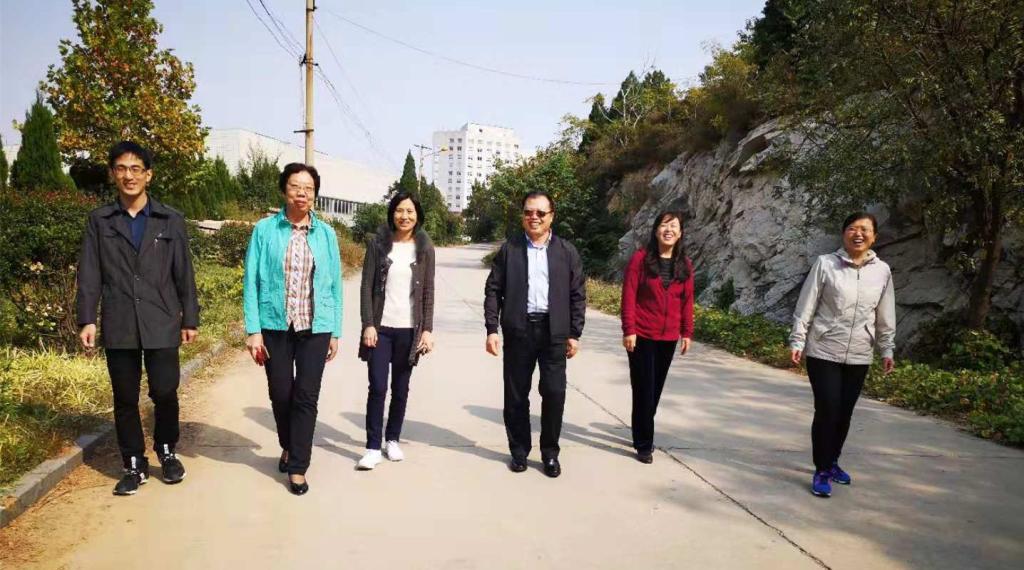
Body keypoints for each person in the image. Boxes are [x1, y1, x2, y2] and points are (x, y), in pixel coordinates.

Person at [76, 141, 199, 496]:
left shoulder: (170, 219)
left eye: (135, 169)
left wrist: (189, 318)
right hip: (120, 320)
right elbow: (90, 272)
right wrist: (87, 319)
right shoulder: (100, 221)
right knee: (125, 397)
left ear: (148, 175)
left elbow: (183, 272)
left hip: (161, 318)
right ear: (112, 174)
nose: (128, 176)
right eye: (121, 168)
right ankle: (133, 462)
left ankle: (167, 451)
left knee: (165, 391)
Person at [242, 163, 342, 496]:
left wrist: (335, 331)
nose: (302, 193)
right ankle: (287, 443)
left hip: (316, 326)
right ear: (284, 189)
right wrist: (253, 329)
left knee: (306, 397)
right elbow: (251, 281)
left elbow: (334, 285)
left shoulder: (326, 234)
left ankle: (298, 465)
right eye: (296, 186)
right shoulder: (264, 230)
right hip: (275, 324)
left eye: (309, 188)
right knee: (280, 393)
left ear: (315, 194)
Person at [790, 212, 896, 498]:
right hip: (824, 349)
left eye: (864, 229)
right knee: (827, 409)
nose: (858, 234)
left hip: (860, 352)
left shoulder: (882, 271)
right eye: (852, 228)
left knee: (844, 412)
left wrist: (886, 348)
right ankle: (822, 469)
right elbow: (806, 305)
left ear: (874, 237)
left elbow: (885, 314)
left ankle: (833, 460)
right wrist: (798, 340)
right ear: (843, 233)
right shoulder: (826, 264)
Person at [484, 190, 586, 478]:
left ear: (551, 216)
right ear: (523, 216)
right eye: (529, 212)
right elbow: (493, 289)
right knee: (516, 394)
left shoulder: (566, 252)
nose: (534, 217)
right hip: (519, 330)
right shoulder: (511, 249)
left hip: (554, 333)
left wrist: (574, 333)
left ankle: (550, 453)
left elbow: (578, 294)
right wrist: (492, 328)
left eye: (541, 213)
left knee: (554, 393)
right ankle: (519, 452)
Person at [356, 192, 436, 470]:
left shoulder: (425, 248)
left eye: (410, 211)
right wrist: (368, 323)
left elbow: (428, 292)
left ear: (417, 215)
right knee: (377, 387)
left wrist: (427, 329)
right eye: (400, 210)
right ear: (392, 213)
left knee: (400, 389)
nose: (405, 216)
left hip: (409, 330)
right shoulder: (378, 244)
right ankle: (372, 447)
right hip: (381, 328)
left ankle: (392, 439)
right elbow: (366, 286)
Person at [620, 211, 694, 464]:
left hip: (668, 337)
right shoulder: (640, 259)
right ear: (655, 230)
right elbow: (629, 295)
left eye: (674, 226)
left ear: (680, 233)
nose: (669, 230)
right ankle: (644, 443)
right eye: (664, 225)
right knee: (643, 388)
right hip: (642, 334)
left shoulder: (684, 264)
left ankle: (641, 429)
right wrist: (629, 329)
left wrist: (687, 332)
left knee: (655, 390)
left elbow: (687, 301)